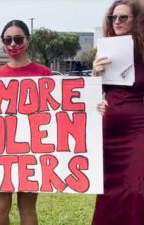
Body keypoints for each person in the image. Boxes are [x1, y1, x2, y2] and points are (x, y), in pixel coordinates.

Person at [0, 20, 52, 225]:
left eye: (18, 39)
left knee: (27, 207)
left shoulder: (44, 74)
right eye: (8, 40)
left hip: (32, 149)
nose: (13, 44)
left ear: (28, 40)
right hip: (1, 149)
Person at [92, 0, 144, 224]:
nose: (117, 22)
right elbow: (97, 93)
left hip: (138, 128)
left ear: (137, 20)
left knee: (137, 187)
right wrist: (95, 74)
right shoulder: (107, 49)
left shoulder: (142, 50)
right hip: (110, 130)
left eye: (123, 17)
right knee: (109, 189)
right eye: (113, 18)